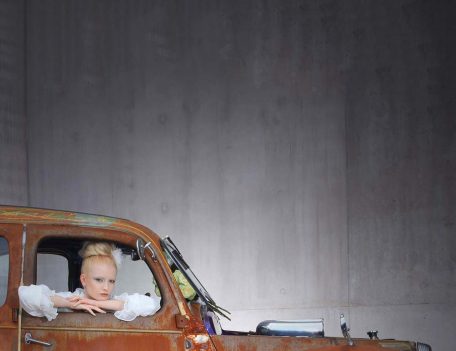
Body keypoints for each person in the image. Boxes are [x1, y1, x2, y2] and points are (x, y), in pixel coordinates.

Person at [19, 241, 161, 322]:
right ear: (84, 280)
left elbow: (153, 304)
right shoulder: (71, 298)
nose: (106, 287)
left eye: (111, 281)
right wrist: (71, 303)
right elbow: (25, 295)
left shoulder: (116, 303)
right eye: (99, 280)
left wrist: (96, 303)